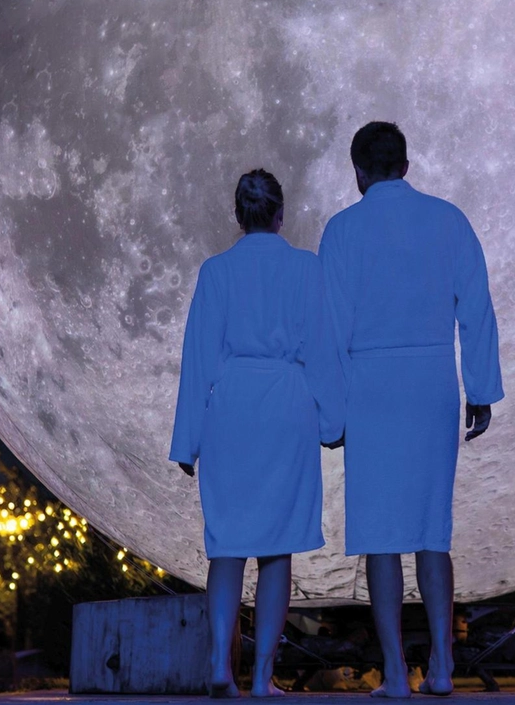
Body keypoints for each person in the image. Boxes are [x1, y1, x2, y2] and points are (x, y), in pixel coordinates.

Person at [318, 122, 504, 698]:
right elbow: (476, 307)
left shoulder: (343, 230)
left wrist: (333, 413)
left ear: (358, 172)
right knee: (431, 530)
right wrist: (481, 388)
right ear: (406, 163)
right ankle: (444, 667)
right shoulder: (448, 220)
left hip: (371, 385)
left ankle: (397, 672)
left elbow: (330, 328)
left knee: (380, 534)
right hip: (429, 383)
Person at [170, 169, 346, 698]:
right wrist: (333, 422)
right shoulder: (306, 269)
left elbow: (197, 359)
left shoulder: (216, 272)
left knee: (226, 544)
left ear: (238, 216)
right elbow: (322, 349)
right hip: (287, 409)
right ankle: (264, 677)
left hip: (232, 409)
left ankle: (221, 665)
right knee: (277, 548)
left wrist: (187, 440)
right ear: (280, 214)